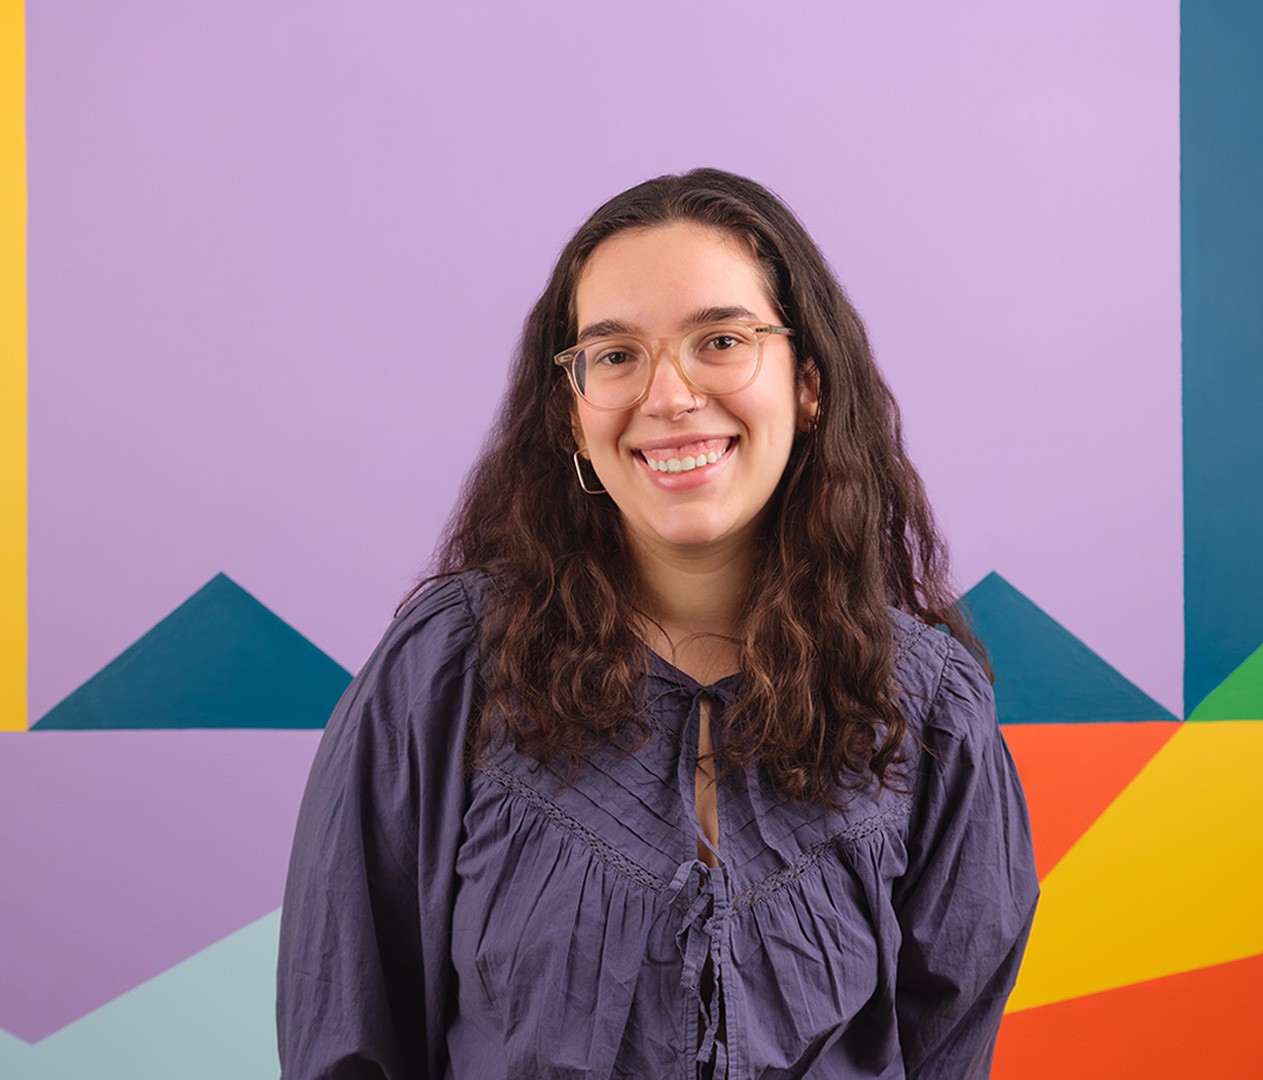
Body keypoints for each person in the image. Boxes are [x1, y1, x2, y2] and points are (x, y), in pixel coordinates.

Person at [276, 168, 1039, 1079]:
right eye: (615, 354)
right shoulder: (446, 673)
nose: (669, 395)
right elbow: (347, 1040)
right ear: (570, 415)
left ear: (809, 385)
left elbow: (947, 1053)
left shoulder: (931, 707)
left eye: (721, 340)